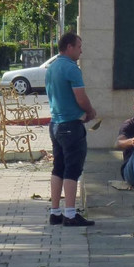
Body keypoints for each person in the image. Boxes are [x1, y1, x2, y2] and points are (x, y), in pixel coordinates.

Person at [45, 31, 97, 228]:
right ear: (69, 47)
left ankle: (55, 211)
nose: (81, 51)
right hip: (71, 126)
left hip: (55, 124)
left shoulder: (51, 67)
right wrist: (90, 112)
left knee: (58, 167)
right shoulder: (71, 68)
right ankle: (70, 214)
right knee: (72, 169)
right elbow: (80, 97)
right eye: (79, 47)